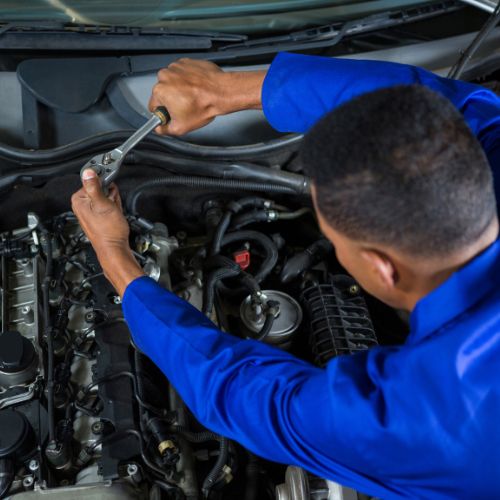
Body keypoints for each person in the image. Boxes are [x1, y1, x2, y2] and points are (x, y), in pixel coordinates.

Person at [72, 53, 500, 499]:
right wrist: (224, 92)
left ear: (381, 266)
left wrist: (117, 260)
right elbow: (454, 110)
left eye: (334, 239)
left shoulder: (426, 418)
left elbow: (252, 396)